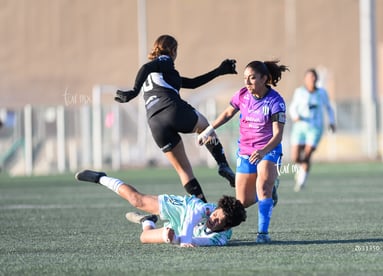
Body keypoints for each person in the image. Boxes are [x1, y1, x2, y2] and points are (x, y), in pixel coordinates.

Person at [115, 35, 237, 203]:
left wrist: (219, 71)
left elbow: (192, 83)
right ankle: (222, 163)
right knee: (205, 127)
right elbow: (146, 66)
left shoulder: (161, 74)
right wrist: (134, 91)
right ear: (173, 50)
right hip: (173, 110)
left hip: (156, 125)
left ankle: (201, 208)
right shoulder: (164, 61)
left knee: (184, 171)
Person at [198, 60, 288, 243]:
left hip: (268, 150)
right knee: (242, 202)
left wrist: (263, 151)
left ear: (264, 79)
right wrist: (208, 129)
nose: (247, 82)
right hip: (245, 151)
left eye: (252, 78)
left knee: (263, 186)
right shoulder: (242, 95)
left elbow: (278, 136)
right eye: (245, 78)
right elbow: (227, 114)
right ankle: (271, 192)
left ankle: (262, 234)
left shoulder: (276, 101)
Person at [75, 169, 246, 247]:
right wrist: (185, 239)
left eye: (218, 220)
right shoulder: (207, 209)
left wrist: (173, 238)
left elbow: (196, 242)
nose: (213, 218)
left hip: (185, 230)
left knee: (144, 237)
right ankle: (100, 178)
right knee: (137, 200)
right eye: (216, 213)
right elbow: (192, 216)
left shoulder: (220, 239)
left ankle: (147, 221)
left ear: (227, 226)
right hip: (183, 209)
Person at [289, 68, 336, 192]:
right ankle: (301, 168)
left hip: (315, 128)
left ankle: (301, 180)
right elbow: (293, 107)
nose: (312, 80)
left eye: (314, 77)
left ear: (317, 79)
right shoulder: (299, 92)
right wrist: (295, 116)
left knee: (308, 153)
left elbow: (329, 108)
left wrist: (331, 122)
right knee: (295, 157)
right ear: (305, 79)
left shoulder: (322, 93)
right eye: (309, 77)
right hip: (300, 127)